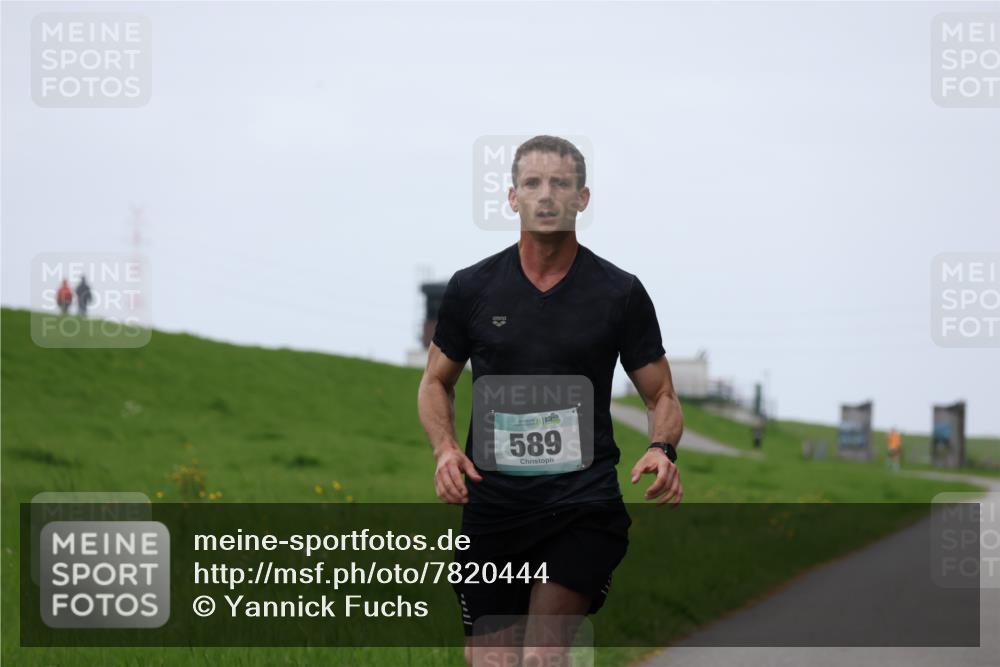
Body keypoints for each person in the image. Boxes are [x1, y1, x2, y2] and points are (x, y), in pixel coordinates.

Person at [417, 135, 684, 667]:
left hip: (581, 504)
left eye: (560, 183)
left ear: (582, 198)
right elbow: (435, 383)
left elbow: (662, 393)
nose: (546, 195)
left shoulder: (620, 293)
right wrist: (446, 449)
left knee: (541, 655)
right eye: (532, 183)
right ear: (512, 197)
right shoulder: (472, 289)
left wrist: (662, 447)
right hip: (493, 508)